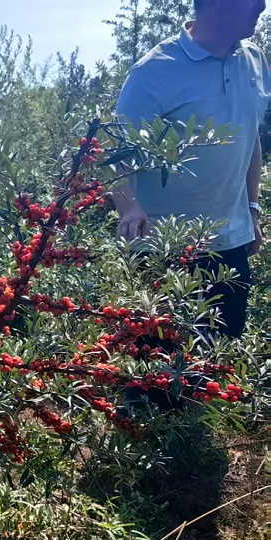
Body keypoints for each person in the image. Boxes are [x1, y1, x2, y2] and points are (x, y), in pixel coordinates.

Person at [114, 0, 270, 338]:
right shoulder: (153, 70)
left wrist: (252, 209)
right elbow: (114, 152)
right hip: (161, 253)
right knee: (157, 367)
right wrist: (129, 207)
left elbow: (250, 134)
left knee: (221, 362)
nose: (261, 5)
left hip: (230, 249)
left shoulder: (256, 60)